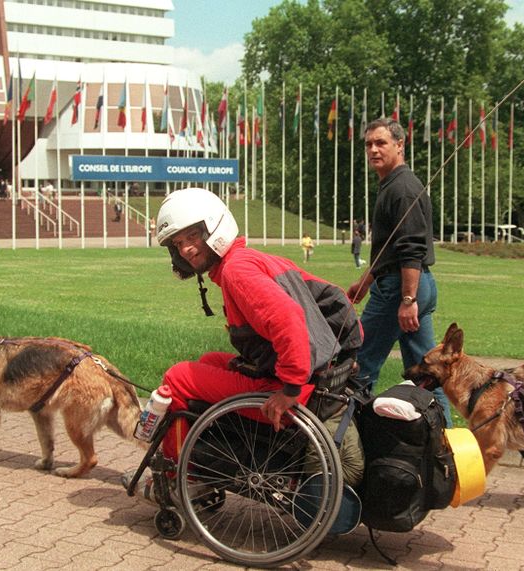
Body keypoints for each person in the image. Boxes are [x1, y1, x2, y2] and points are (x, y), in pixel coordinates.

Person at [124, 187, 364, 497]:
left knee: (177, 378)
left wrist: (290, 389)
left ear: (214, 227)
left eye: (192, 237)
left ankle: (179, 478)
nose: (185, 250)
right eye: (178, 243)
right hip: (318, 381)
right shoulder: (251, 259)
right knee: (210, 361)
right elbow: (335, 298)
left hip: (294, 390)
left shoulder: (237, 271)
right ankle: (203, 463)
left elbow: (288, 318)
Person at [346, 118, 452, 427]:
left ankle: (348, 440)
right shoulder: (392, 184)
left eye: (381, 143)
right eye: (369, 144)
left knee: (360, 363)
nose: (373, 149)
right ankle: (445, 445)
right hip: (409, 285)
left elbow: (411, 249)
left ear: (399, 146)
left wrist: (407, 299)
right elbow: (387, 248)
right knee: (428, 373)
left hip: (401, 288)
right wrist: (365, 282)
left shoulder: (402, 188)